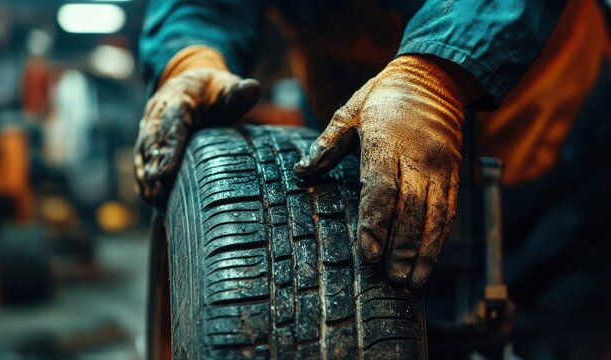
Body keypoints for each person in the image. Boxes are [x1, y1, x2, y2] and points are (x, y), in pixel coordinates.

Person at [135, 2, 611, 354]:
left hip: (550, 140)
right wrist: (189, 58)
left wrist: (434, 73)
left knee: (565, 326)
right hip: (359, 141)